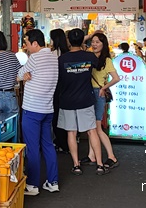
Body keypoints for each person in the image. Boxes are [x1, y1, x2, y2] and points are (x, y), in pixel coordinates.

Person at [56, 28, 107, 176]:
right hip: (86, 100)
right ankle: (99, 164)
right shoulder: (89, 57)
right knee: (92, 131)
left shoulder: (62, 59)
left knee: (71, 133)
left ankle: (76, 165)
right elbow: (98, 65)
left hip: (67, 100)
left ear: (68, 41)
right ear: (83, 40)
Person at [17, 29, 59, 196]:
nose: (26, 47)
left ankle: (33, 185)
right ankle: (53, 182)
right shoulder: (53, 57)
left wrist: (25, 75)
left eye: (27, 43)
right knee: (48, 145)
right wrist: (26, 74)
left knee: (33, 148)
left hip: (32, 109)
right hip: (47, 109)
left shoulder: (34, 58)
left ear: (35, 43)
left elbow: (19, 74)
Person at [81, 32, 120, 169]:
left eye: (98, 42)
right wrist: (89, 35)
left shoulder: (106, 60)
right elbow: (78, 43)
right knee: (90, 128)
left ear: (104, 44)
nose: (94, 44)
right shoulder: (88, 55)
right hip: (88, 92)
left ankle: (112, 156)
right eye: (93, 41)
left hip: (98, 93)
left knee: (97, 128)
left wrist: (104, 87)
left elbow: (116, 78)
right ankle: (91, 155)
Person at [49, 28, 70, 153]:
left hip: (56, 89)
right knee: (67, 117)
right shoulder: (68, 54)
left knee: (56, 117)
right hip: (68, 88)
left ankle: (61, 143)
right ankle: (67, 143)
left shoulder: (52, 55)